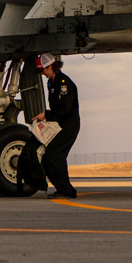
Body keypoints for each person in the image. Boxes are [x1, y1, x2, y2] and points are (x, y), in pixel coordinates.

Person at [32, 53, 80, 199]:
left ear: (50, 67)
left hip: (69, 125)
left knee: (54, 156)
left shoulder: (63, 82)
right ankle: (64, 189)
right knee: (49, 156)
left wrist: (46, 115)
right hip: (60, 124)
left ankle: (66, 190)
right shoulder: (51, 82)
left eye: (42, 70)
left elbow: (64, 109)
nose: (41, 73)